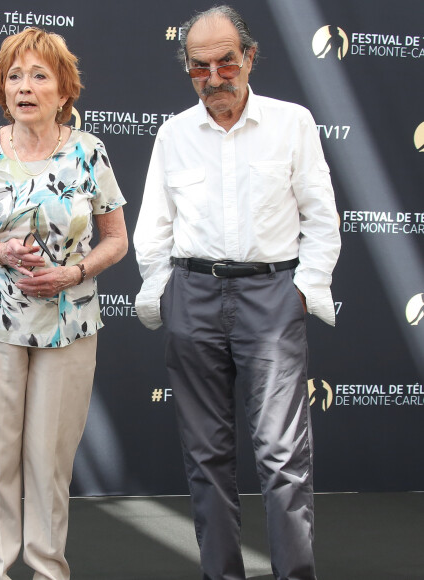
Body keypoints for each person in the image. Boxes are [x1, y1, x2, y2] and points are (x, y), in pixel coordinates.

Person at [134, 6, 340, 580]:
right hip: (192, 296)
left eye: (227, 60)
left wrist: (301, 291)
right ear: (190, 71)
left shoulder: (292, 123)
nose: (216, 75)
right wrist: (166, 293)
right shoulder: (173, 134)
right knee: (206, 458)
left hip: (271, 297)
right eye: (201, 66)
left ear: (249, 58)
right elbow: (153, 227)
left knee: (281, 457)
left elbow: (322, 219)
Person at [0, 27, 127, 580]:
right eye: (14, 76)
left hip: (68, 325)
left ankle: (48, 570)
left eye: (39, 76)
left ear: (63, 89)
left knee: (49, 463)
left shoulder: (90, 151)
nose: (25, 86)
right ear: (3, 89)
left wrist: (73, 271)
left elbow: (116, 239)